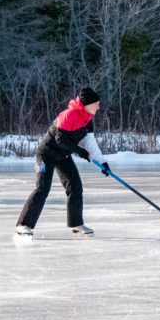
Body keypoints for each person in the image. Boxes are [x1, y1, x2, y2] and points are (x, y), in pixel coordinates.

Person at [16, 87, 110, 238]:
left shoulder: (87, 119)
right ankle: (23, 225)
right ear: (87, 104)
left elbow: (90, 142)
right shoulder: (69, 115)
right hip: (46, 154)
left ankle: (76, 223)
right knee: (42, 189)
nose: (98, 107)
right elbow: (60, 140)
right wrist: (79, 151)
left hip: (63, 156)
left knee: (75, 186)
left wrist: (103, 162)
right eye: (96, 103)